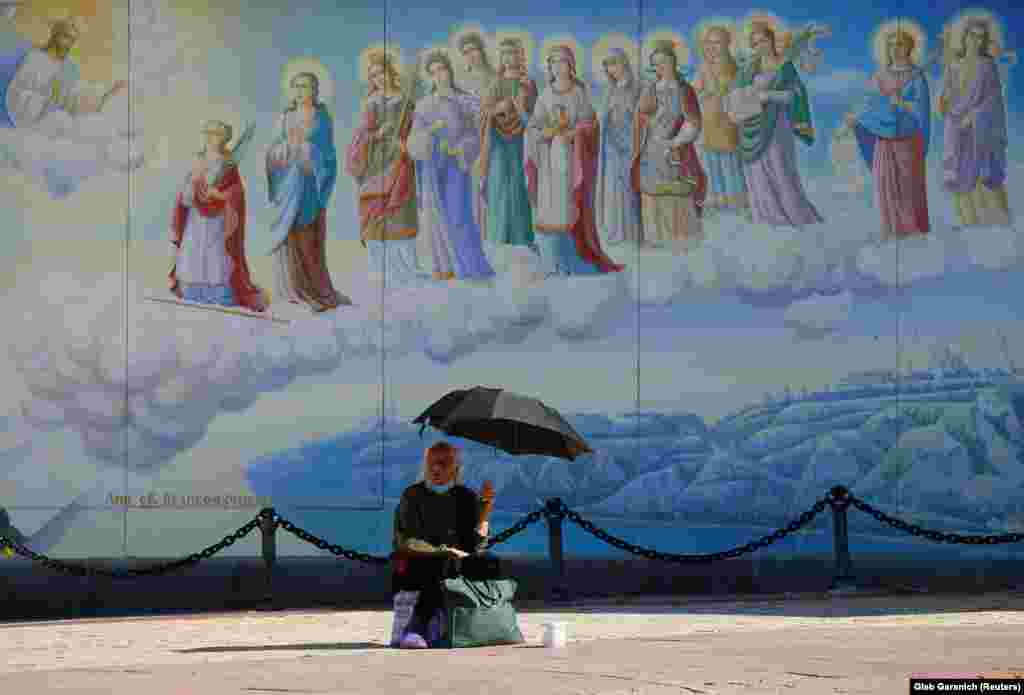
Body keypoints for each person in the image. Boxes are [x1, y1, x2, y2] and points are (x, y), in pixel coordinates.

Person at [526, 44, 623, 275]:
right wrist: (547, 132)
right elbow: (533, 127)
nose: (558, 67)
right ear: (549, 67)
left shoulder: (578, 94)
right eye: (554, 62)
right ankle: (552, 262)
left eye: (563, 61)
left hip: (573, 161)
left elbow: (590, 123)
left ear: (571, 66)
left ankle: (571, 260)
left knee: (570, 208)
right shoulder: (546, 94)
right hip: (550, 163)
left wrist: (575, 132)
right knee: (551, 210)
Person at [392, 441, 496, 649]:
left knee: (490, 563)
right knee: (439, 565)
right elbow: (407, 540)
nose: (436, 469)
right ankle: (415, 627)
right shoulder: (412, 496)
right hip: (418, 560)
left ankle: (483, 625)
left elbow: (474, 545)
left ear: (456, 468)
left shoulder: (465, 496)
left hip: (456, 562)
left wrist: (485, 510)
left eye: (443, 464)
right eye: (431, 464)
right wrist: (444, 550)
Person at [407, 50, 495, 281]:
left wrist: (460, 148)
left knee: (459, 214)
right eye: (433, 72)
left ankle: (470, 267)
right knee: (435, 216)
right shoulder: (424, 105)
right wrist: (428, 133)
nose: (439, 75)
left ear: (449, 70)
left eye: (442, 69)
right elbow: (414, 139)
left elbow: (474, 135)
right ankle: (445, 267)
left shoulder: (464, 101)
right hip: (433, 168)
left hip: (456, 165)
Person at [266, 71, 350, 312]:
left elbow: (328, 155)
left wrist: (306, 149)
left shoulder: (322, 118)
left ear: (315, 90)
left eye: (306, 86)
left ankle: (314, 289)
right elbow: (272, 151)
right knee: (289, 236)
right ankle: (293, 289)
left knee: (307, 237)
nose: (301, 91)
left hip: (309, 185)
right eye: (297, 87)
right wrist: (286, 148)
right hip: (287, 185)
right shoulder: (285, 118)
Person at [169, 120, 267, 310]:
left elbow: (236, 192)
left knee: (216, 254)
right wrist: (192, 189)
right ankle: (192, 290)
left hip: (218, 219)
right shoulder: (198, 159)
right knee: (195, 250)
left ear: (224, 139)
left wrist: (220, 195)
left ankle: (219, 294)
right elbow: (186, 190)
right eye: (209, 133)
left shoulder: (228, 163)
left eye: (216, 134)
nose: (211, 138)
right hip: (196, 217)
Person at [734, 21, 823, 227]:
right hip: (751, 126)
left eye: (763, 41)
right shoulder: (748, 69)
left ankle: (796, 217)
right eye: (754, 44)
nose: (759, 46)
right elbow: (735, 96)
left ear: (771, 40)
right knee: (757, 173)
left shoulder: (784, 66)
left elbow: (795, 95)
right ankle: (766, 218)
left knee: (781, 169)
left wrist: (769, 95)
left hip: (777, 125)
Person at [346, 50, 423, 286]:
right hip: (375, 161)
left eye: (381, 72)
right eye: (373, 75)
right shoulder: (370, 103)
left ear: (391, 72)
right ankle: (378, 269)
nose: (378, 78)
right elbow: (361, 134)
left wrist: (406, 141)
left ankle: (407, 268)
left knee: (400, 210)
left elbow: (415, 128)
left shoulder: (406, 100)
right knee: (373, 209)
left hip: (399, 158)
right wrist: (375, 134)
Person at [847, 28, 931, 239]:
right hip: (884, 137)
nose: (896, 49)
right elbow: (871, 104)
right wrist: (858, 118)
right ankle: (890, 229)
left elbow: (922, 110)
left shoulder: (917, 76)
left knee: (907, 183)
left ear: (909, 48)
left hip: (907, 138)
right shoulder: (880, 75)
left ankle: (911, 232)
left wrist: (902, 102)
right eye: (892, 44)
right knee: (885, 182)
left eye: (900, 44)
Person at [632, 39, 707, 249]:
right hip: (651, 148)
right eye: (655, 64)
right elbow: (640, 117)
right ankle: (655, 236)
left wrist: (676, 141)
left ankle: (680, 236)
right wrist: (648, 122)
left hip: (676, 148)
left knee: (676, 189)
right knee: (652, 189)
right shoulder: (650, 89)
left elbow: (694, 121)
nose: (659, 68)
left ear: (673, 62)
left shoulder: (685, 90)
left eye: (663, 62)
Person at [938, 17, 1011, 227]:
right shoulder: (954, 65)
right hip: (956, 128)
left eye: (981, 37)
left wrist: (975, 115)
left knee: (983, 176)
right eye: (972, 35)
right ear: (965, 37)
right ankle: (968, 224)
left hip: (979, 129)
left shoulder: (987, 66)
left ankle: (997, 222)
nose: (976, 40)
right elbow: (945, 95)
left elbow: (994, 99)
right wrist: (943, 103)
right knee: (960, 178)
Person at [0, 17, 127, 129]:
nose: (69, 43)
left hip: (50, 114)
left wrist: (104, 95)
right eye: (66, 36)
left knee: (89, 121)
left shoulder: (64, 66)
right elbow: (20, 96)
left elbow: (68, 95)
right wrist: (52, 103)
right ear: (55, 35)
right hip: (30, 116)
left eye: (73, 39)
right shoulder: (36, 58)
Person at [478, 37, 538, 270]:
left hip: (521, 141)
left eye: (512, 54)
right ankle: (498, 236)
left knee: (518, 186)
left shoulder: (528, 84)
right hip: (499, 144)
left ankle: (521, 237)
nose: (508, 59)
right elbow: (483, 114)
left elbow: (535, 114)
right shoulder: (496, 83)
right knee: (499, 185)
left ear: (520, 56)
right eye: (503, 55)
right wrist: (497, 109)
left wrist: (521, 108)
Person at [693, 26, 748, 212]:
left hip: (727, 123)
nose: (712, 46)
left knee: (730, 162)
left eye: (716, 42)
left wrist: (713, 90)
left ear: (726, 44)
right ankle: (714, 199)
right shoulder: (704, 67)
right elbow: (695, 92)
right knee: (710, 162)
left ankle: (736, 200)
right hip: (708, 121)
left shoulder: (732, 66)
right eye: (709, 42)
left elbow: (734, 91)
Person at [596, 47, 642, 245]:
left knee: (627, 188)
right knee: (612, 189)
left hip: (629, 143)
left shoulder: (637, 87)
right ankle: (614, 231)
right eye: (607, 65)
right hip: (610, 145)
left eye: (614, 63)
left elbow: (640, 117)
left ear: (624, 63)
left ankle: (631, 232)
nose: (611, 69)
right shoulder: (609, 89)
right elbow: (603, 116)